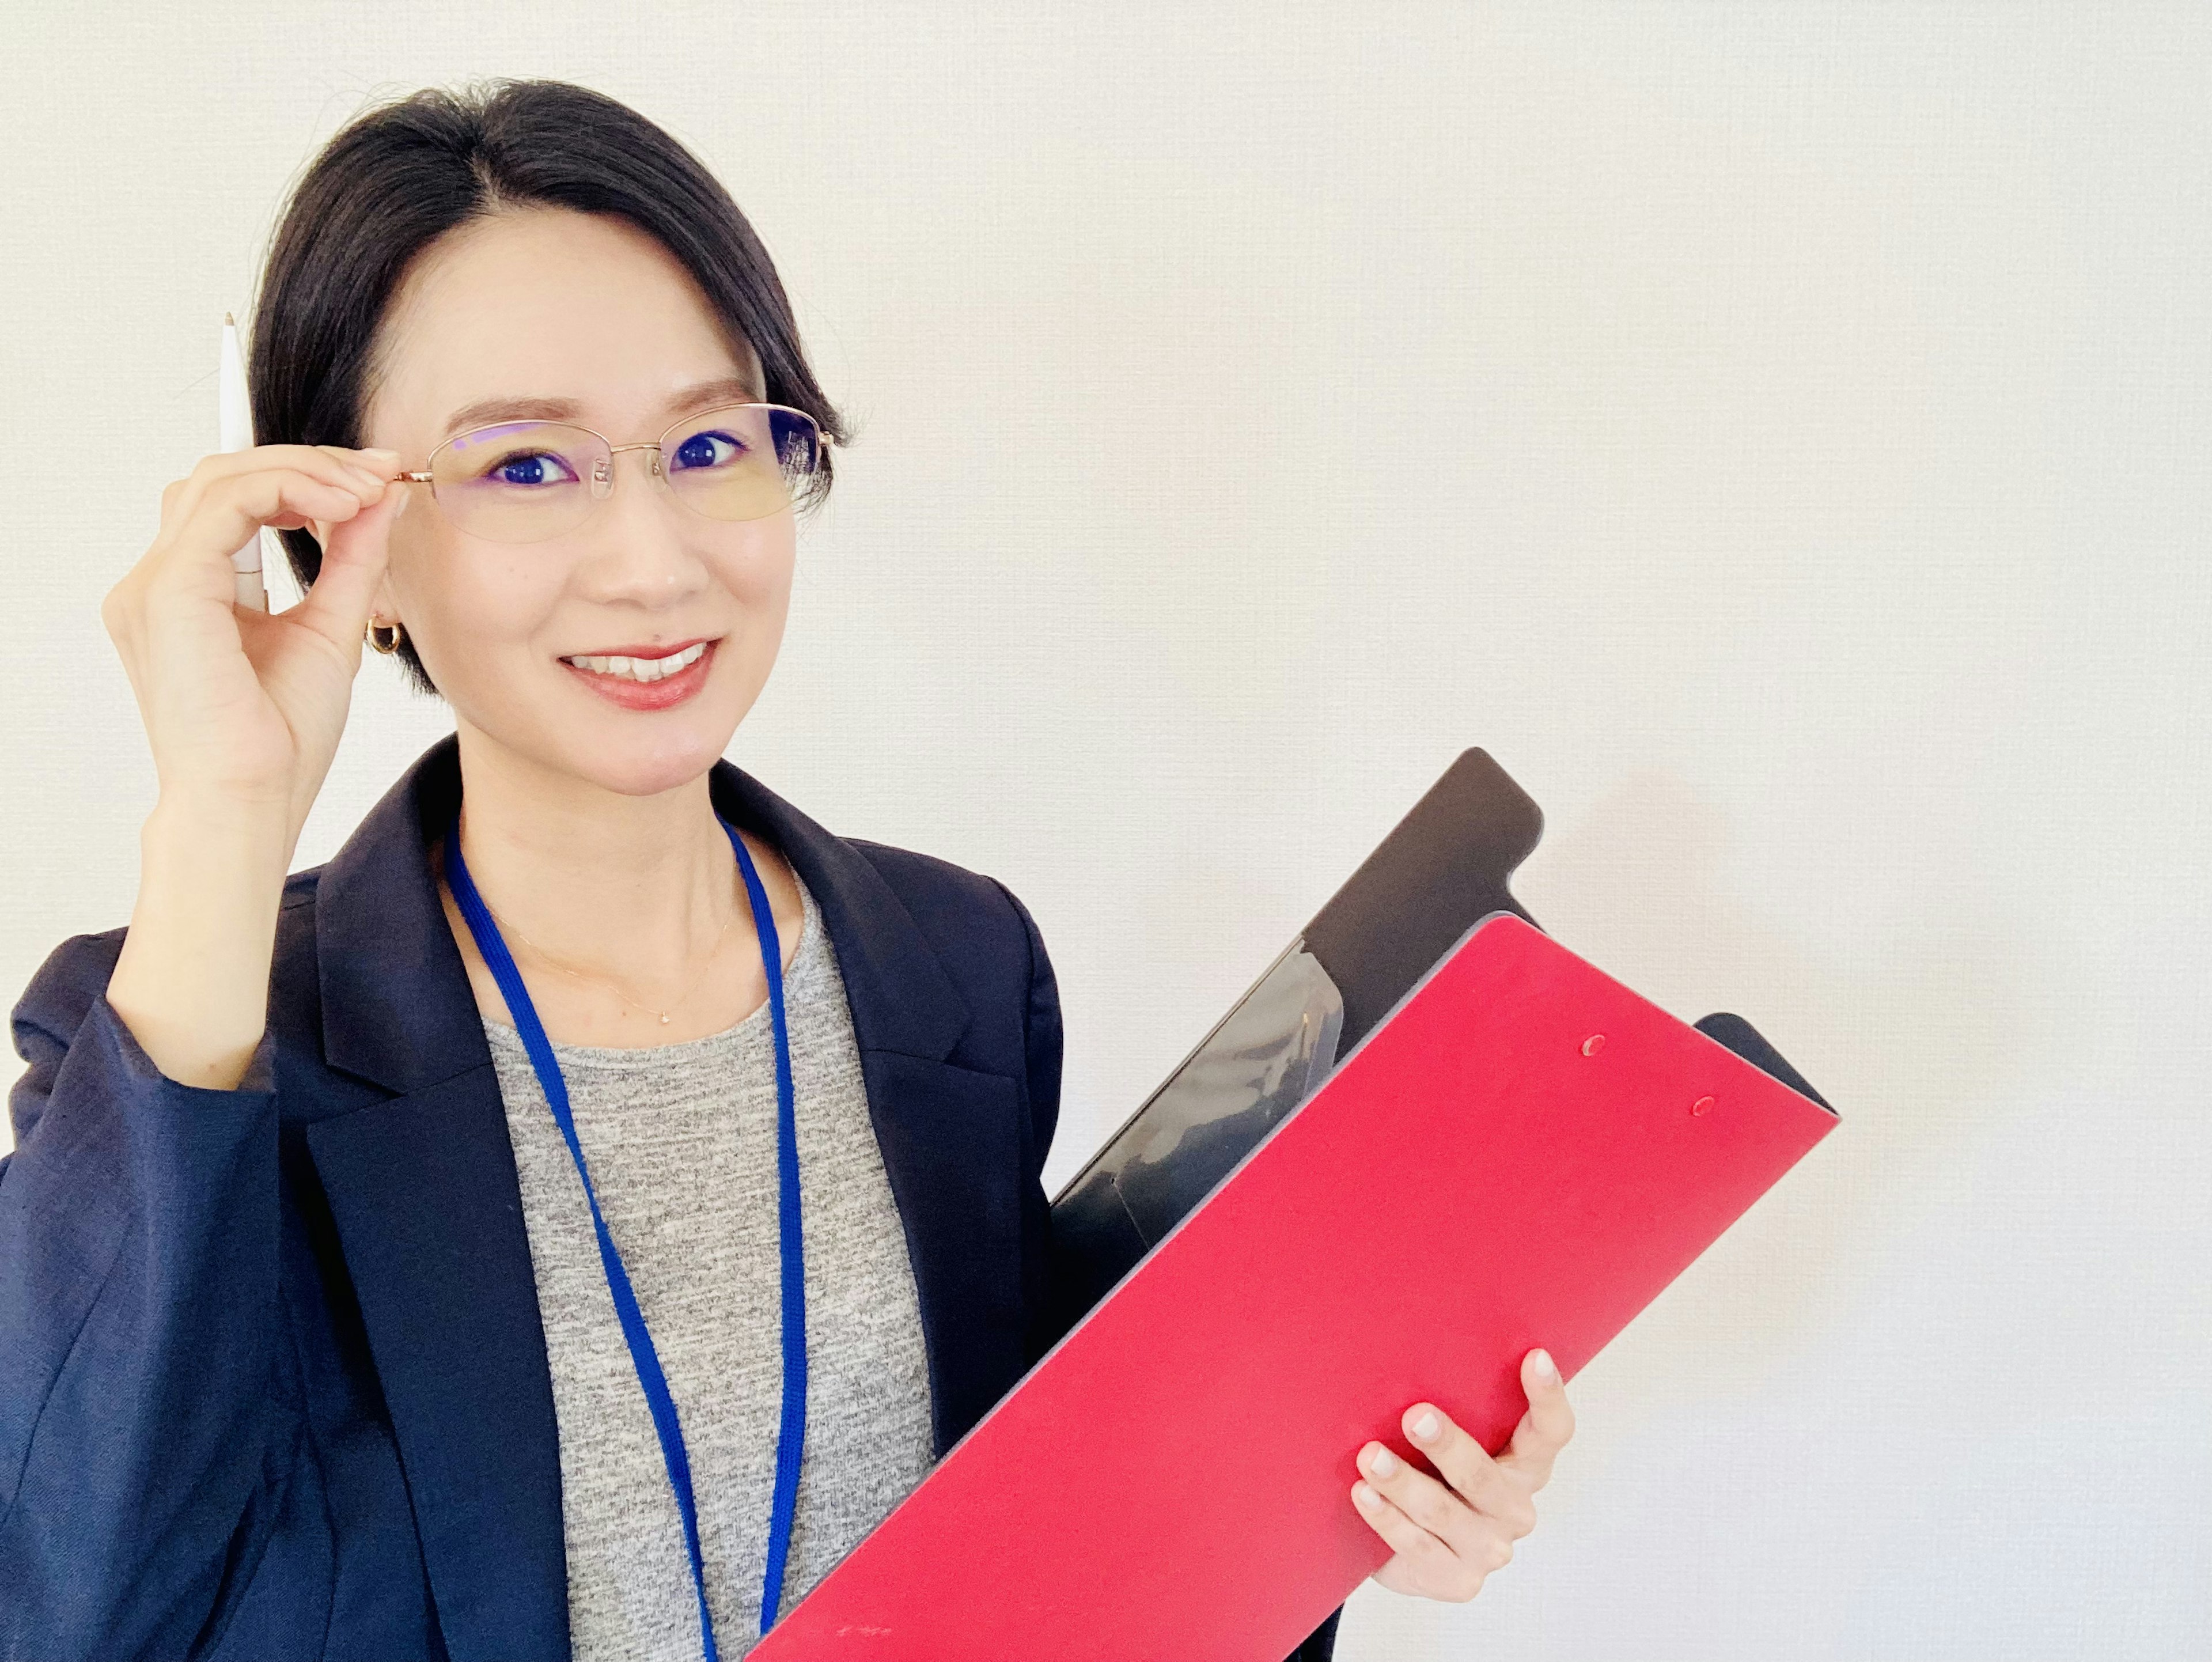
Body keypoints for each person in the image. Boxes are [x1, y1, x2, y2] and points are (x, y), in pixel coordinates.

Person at [0, 78, 1575, 1662]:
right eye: (529, 468)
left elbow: (1065, 1540)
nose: (655, 558)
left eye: (707, 442)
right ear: (356, 536)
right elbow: (70, 1597)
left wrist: (1342, 1509)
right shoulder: (183, 1043)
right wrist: (225, 808)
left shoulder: (951, 968)